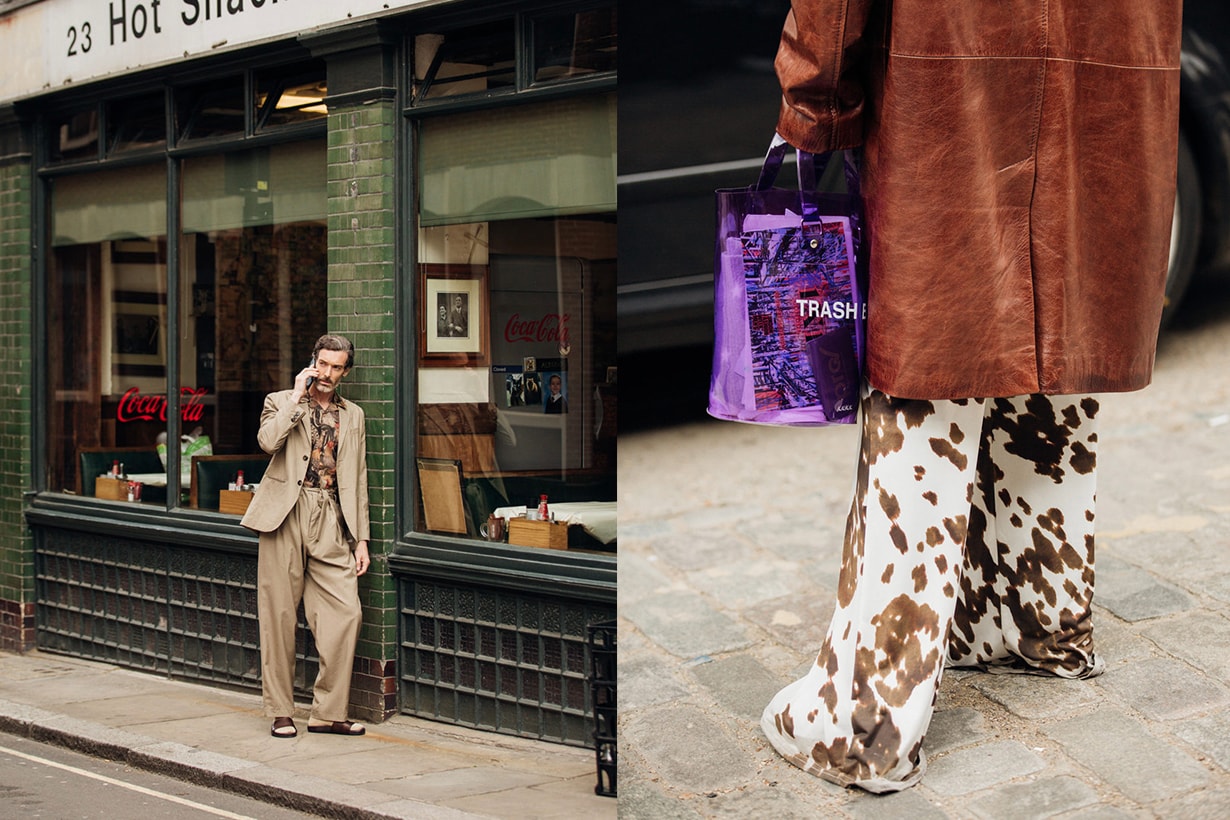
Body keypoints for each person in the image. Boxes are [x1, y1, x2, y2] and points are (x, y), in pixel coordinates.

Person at [760, 1, 1182, 792]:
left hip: (943, 97)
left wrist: (814, 104)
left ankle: (863, 723)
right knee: (1053, 368)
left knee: (926, 390)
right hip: (1111, 91)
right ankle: (1036, 622)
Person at [241, 334, 371, 739]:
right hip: (284, 514)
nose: (328, 373)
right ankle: (281, 711)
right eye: (323, 364)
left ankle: (328, 713)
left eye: (337, 367)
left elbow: (358, 479)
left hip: (331, 515)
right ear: (312, 361)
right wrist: (297, 397)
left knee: (346, 613)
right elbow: (267, 442)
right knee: (279, 615)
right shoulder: (280, 400)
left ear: (345, 371)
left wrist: (361, 539)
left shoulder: (354, 416)